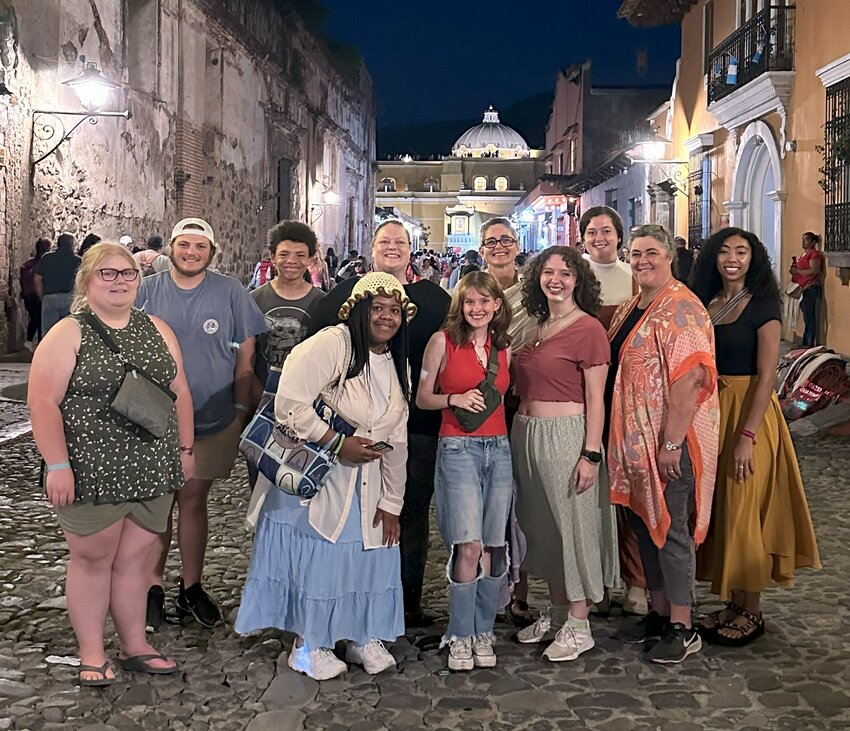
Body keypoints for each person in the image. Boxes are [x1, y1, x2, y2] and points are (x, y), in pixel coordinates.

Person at [28, 243, 193, 685]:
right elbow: (42, 401)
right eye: (108, 274)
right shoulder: (68, 333)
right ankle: (91, 652)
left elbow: (178, 390)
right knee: (92, 559)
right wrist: (57, 465)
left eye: (127, 274)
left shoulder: (157, 328)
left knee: (137, 561)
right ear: (87, 280)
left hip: (151, 466)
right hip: (92, 467)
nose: (119, 281)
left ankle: (134, 643)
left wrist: (186, 450)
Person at [236, 272, 415, 680]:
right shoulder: (332, 344)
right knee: (323, 562)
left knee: (368, 556)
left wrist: (393, 501)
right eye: (378, 308)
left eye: (394, 310)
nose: (386, 317)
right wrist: (336, 442)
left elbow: (397, 437)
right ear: (359, 308)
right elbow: (290, 405)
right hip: (319, 484)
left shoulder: (396, 361)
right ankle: (309, 642)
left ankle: (360, 633)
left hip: (368, 487)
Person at [304, 220, 451, 627]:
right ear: (371, 248)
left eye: (400, 242)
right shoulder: (342, 297)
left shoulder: (435, 300)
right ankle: (355, 598)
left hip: (416, 424)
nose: (392, 247)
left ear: (411, 249)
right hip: (349, 428)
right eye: (384, 241)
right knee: (351, 515)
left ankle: (405, 601)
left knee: (410, 511)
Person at [690, 228, 820, 646]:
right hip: (712, 412)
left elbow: (767, 376)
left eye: (742, 252)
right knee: (725, 507)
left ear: (753, 258)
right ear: (713, 257)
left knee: (746, 504)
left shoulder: (763, 304)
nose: (732, 258)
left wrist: (747, 434)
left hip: (750, 415)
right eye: (725, 251)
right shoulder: (707, 304)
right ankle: (733, 601)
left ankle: (753, 609)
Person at [136, 217, 266, 631]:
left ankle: (191, 586)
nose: (191, 253)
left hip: (212, 417)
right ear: (172, 247)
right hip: (153, 418)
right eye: (184, 245)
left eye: (200, 247)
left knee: (192, 501)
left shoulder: (229, 292)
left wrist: (242, 409)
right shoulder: (147, 291)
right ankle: (151, 587)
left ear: (212, 252)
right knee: (157, 506)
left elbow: (246, 357)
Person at [608, 224, 719, 664]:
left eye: (651, 252)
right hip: (636, 442)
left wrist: (671, 443)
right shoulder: (635, 305)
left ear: (670, 255)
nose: (642, 262)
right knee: (643, 527)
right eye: (635, 254)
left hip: (670, 442)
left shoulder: (682, 310)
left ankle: (682, 624)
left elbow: (691, 379)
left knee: (671, 532)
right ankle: (657, 613)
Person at [511, 246, 617, 662]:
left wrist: (590, 454)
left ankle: (579, 621)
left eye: (566, 273)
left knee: (573, 528)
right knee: (544, 530)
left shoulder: (588, 329)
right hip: (526, 434)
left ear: (579, 280)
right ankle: (557, 613)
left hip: (567, 435)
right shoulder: (535, 325)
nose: (556, 279)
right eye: (549, 272)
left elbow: (597, 397)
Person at [416, 271, 512, 670]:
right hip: (457, 448)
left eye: (484, 302)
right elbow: (422, 397)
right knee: (468, 544)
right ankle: (459, 633)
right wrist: (453, 396)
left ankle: (482, 630)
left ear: (497, 306)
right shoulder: (441, 342)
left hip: (500, 449)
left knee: (493, 544)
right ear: (461, 305)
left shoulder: (503, 348)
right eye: (470, 302)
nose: (477, 309)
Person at [579, 206, 646, 617]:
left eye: (606, 230)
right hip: (580, 395)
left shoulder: (635, 280)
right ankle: (594, 581)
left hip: (628, 396)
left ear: (619, 236)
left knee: (629, 489)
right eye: (591, 231)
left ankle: (635, 580)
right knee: (588, 494)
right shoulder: (572, 276)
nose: (599, 237)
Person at [252, 221, 326, 390]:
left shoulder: (322, 303)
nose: (291, 261)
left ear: (310, 259)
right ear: (273, 257)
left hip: (306, 393)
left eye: (300, 255)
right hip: (261, 392)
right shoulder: (254, 300)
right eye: (284, 254)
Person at [35, 233, 82, 334]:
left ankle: (48, 349)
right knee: (70, 331)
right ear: (73, 245)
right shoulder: (78, 261)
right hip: (71, 299)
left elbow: (37, 278)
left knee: (49, 333)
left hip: (50, 297)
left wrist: (42, 296)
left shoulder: (47, 258)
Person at [790, 231, 824, 347]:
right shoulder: (804, 255)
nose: (803, 241)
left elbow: (814, 270)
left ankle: (808, 344)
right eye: (803, 239)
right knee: (806, 317)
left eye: (806, 239)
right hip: (804, 287)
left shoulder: (814, 254)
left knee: (810, 317)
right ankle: (806, 343)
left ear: (813, 242)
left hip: (811, 287)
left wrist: (798, 271)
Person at [20, 238, 50, 349]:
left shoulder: (27, 264)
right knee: (40, 320)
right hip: (38, 294)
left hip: (27, 295)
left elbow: (23, 280)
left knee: (35, 318)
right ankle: (39, 344)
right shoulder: (45, 263)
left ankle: (30, 340)